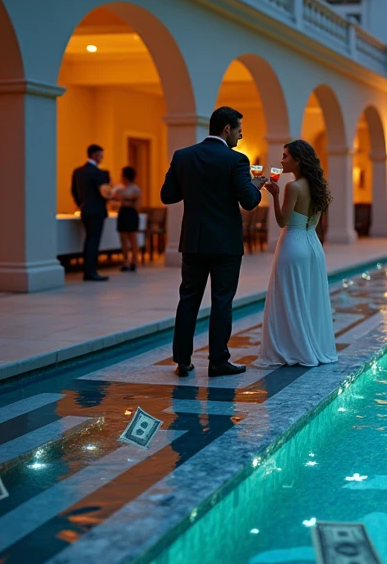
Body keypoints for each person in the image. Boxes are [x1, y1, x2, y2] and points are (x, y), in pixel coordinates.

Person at [161, 106, 265, 378]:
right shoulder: (237, 161)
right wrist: (256, 185)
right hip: (225, 244)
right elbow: (249, 201)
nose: (241, 137)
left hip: (193, 241)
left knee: (188, 300)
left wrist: (193, 184)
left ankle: (183, 361)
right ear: (227, 129)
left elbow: (167, 195)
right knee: (222, 301)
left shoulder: (183, 156)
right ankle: (218, 361)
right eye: (239, 131)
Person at [254, 139, 338, 368]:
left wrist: (273, 195)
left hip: (292, 244)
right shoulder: (319, 185)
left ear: (298, 160)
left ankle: (292, 349)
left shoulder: (294, 187)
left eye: (285, 156)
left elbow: (283, 221)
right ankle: (311, 346)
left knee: (288, 299)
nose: (281, 160)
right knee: (308, 300)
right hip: (313, 246)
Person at [71, 144, 111, 282]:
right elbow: (105, 192)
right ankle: (91, 271)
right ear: (94, 155)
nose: (102, 158)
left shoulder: (78, 172)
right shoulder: (99, 173)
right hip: (97, 210)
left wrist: (81, 204)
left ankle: (89, 270)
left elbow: (74, 190)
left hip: (85, 209)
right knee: (94, 240)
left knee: (89, 240)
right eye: (101, 155)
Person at [114, 166, 141, 272]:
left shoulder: (135, 189)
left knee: (132, 237)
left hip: (131, 213)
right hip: (122, 213)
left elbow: (136, 204)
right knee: (123, 237)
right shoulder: (119, 188)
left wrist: (122, 199)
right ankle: (125, 261)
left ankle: (134, 261)